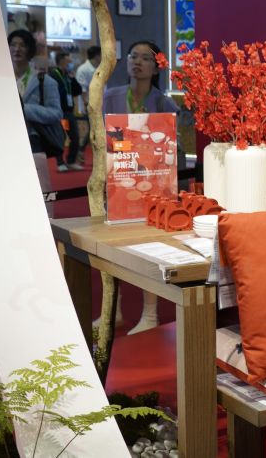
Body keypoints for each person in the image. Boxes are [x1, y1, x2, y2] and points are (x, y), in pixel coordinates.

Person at [101, 40, 179, 334]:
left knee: (151, 244)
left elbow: (172, 146)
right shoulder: (110, 97)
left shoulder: (164, 104)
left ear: (156, 67)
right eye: (133, 56)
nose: (138, 62)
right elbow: (102, 139)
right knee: (110, 246)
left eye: (146, 58)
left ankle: (150, 314)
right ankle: (114, 310)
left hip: (153, 183)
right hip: (117, 180)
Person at [9, 29, 62, 154]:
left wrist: (25, 110)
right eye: (13, 45)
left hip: (33, 141)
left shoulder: (45, 81)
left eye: (22, 45)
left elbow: (56, 113)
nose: (17, 49)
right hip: (5, 139)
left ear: (30, 49)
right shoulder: (1, 81)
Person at [49, 51, 84, 171]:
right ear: (62, 61)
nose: (70, 64)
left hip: (69, 112)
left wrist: (72, 79)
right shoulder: (53, 75)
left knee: (75, 136)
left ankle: (71, 161)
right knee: (61, 137)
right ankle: (60, 163)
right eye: (68, 61)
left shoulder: (68, 76)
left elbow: (78, 91)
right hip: (58, 111)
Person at [74, 45, 100, 165]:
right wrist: (86, 104)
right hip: (89, 104)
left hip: (99, 103)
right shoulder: (83, 69)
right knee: (93, 130)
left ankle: (81, 151)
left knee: (95, 130)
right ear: (97, 55)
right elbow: (82, 89)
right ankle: (81, 151)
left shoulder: (98, 67)